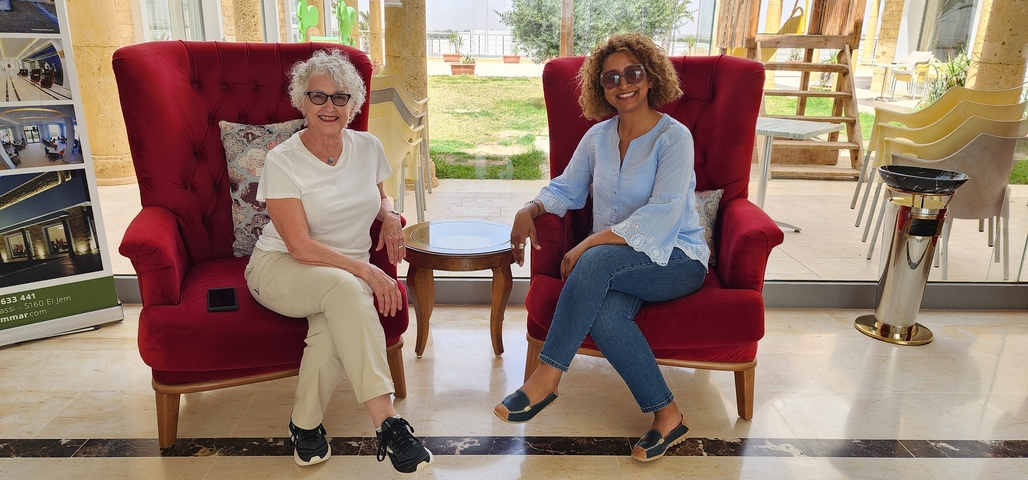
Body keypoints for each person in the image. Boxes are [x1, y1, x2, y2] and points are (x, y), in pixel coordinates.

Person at [494, 33, 710, 462]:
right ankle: (669, 417)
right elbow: (566, 189)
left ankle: (547, 377)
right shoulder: (597, 138)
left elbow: (664, 213)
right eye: (611, 77)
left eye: (633, 73)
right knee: (609, 316)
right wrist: (532, 207)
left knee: (594, 260)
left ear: (650, 79)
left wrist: (591, 242)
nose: (623, 84)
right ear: (601, 86)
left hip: (678, 259)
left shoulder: (674, 137)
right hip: (619, 263)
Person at [243, 49, 433, 475]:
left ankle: (304, 425)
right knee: (349, 290)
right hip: (280, 268)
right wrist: (368, 270)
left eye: (340, 98)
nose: (329, 107)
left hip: (340, 278)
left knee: (333, 323)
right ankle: (388, 423)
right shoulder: (283, 160)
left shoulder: (367, 147)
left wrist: (387, 216)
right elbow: (300, 247)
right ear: (301, 101)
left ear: (355, 103)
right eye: (318, 97)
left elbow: (380, 195)